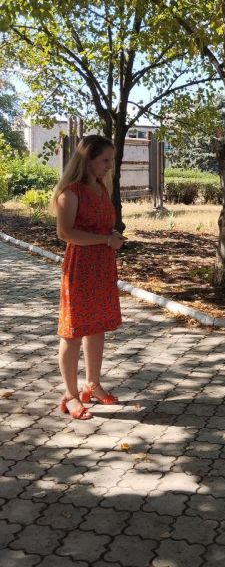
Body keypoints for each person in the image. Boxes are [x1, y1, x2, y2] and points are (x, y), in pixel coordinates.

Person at [52, 135, 126, 420]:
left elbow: (102, 228)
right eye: (105, 160)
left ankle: (92, 384)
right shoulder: (70, 193)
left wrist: (112, 237)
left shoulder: (100, 188)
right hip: (81, 268)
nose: (109, 166)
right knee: (72, 331)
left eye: (111, 160)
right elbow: (65, 233)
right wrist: (105, 241)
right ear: (88, 159)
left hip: (102, 266)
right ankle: (70, 395)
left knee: (97, 326)